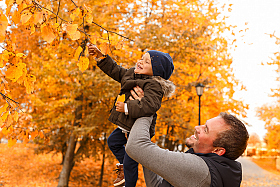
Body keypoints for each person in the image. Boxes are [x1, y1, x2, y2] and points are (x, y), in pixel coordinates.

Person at [87, 43, 175, 187]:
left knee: (131, 160)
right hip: (125, 125)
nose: (140, 62)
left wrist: (127, 107)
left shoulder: (154, 85)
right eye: (142, 58)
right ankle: (124, 169)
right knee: (112, 142)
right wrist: (101, 57)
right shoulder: (132, 73)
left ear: (157, 71)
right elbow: (116, 70)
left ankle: (129, 182)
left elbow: (150, 105)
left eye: (146, 62)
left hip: (138, 131)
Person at [126, 89, 249, 187]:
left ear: (217, 151)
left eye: (205, 130)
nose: (197, 127)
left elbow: (135, 147)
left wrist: (146, 108)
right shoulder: (215, 172)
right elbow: (157, 185)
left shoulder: (200, 170)